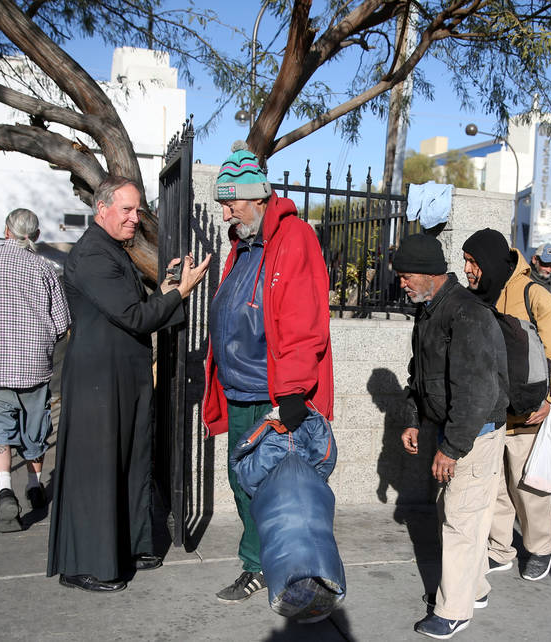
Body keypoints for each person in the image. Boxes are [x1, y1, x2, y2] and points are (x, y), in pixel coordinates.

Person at [47, 176, 210, 593]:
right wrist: (179, 294)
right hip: (98, 380)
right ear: (102, 209)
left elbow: (135, 308)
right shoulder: (93, 255)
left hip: (122, 375)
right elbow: (135, 317)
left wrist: (170, 287)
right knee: (96, 471)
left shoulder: (111, 251)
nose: (136, 218)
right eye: (128, 210)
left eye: (138, 210)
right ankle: (84, 564)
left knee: (132, 462)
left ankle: (131, 546)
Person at [201, 143, 334, 604]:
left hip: (275, 392)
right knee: (245, 483)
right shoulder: (245, 244)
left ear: (256, 196)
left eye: (230, 202)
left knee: (287, 492)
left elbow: (303, 317)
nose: (225, 214)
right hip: (240, 388)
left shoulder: (293, 237)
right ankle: (259, 564)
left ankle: (299, 574)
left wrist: (294, 391)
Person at [394, 233, 509, 640]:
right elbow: (419, 375)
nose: (402, 283)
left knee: (460, 522)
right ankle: (473, 589)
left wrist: (451, 447)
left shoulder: (467, 314)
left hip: (475, 434)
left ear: (429, 274)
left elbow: (478, 392)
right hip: (454, 430)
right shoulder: (429, 312)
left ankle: (453, 612)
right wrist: (413, 419)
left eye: (406, 276)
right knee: (460, 516)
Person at [461, 229, 551, 582]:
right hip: (489, 413)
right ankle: (500, 549)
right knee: (495, 486)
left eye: (473, 262)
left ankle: (541, 547)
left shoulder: (534, 295)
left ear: (489, 261)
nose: (468, 269)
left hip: (527, 412)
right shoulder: (478, 296)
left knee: (529, 488)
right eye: (466, 261)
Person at [0, 209, 70, 532]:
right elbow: (62, 320)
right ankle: (34, 483)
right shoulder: (44, 269)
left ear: (7, 231)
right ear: (34, 235)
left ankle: (5, 489)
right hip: (33, 363)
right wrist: (46, 339)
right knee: (34, 426)